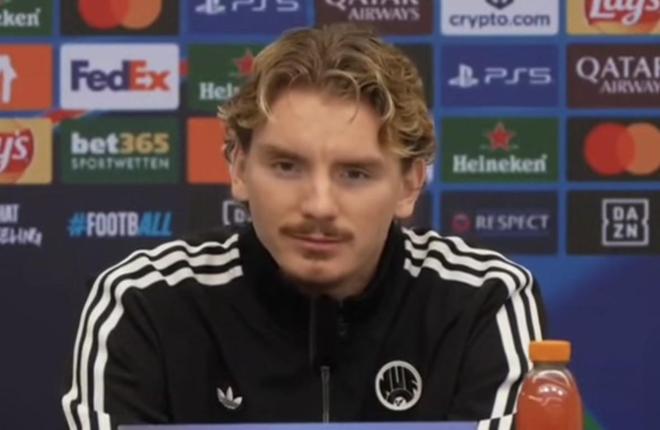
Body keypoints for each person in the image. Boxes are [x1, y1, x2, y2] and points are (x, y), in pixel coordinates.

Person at [62, 23, 545, 430]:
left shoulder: (484, 299)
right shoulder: (143, 301)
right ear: (238, 167)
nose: (318, 205)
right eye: (287, 167)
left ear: (409, 184)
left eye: (354, 174)